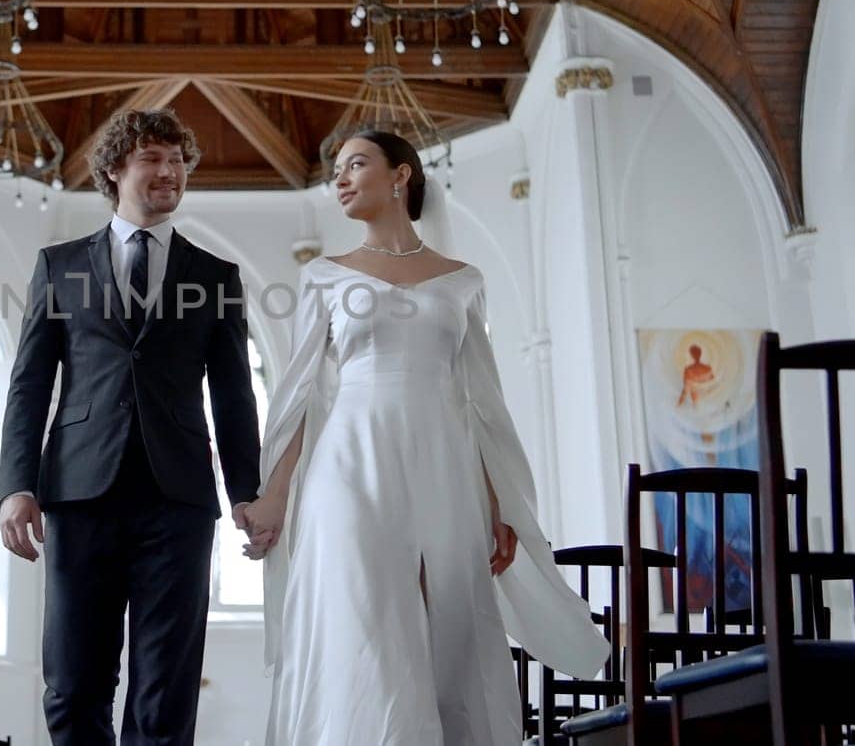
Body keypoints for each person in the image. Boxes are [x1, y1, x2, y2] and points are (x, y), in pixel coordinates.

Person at [241, 130, 609, 744]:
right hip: (349, 464)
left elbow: (480, 404)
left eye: (356, 164)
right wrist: (276, 495)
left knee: (449, 627)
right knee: (365, 618)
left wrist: (497, 505)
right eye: (336, 170)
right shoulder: (325, 277)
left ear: (401, 175)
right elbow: (302, 394)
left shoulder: (463, 279)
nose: (341, 178)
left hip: (443, 462)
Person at [0, 108, 262, 746]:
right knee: (72, 681)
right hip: (79, 494)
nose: (169, 172)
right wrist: (16, 485)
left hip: (179, 503)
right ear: (115, 169)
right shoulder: (58, 266)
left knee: (165, 690)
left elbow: (233, 395)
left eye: (178, 161)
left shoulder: (216, 277)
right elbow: (31, 383)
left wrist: (248, 493)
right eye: (153, 158)